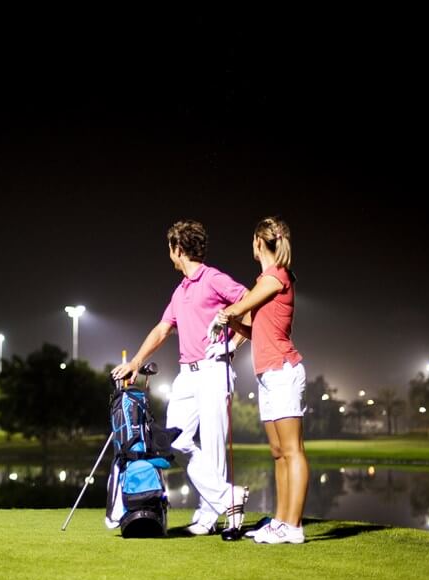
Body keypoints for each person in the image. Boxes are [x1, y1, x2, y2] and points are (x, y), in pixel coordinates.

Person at [112, 220, 250, 535]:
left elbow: (250, 308)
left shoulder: (213, 278)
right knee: (172, 441)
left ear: (178, 248)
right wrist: (136, 360)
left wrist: (231, 345)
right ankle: (228, 497)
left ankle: (209, 518)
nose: (169, 255)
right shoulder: (181, 290)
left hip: (214, 371)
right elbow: (163, 328)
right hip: (187, 375)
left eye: (170, 249)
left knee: (214, 447)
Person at [214, 216, 307, 544]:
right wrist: (232, 329)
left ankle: (293, 526)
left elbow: (241, 307)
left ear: (258, 242)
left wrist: (228, 313)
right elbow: (253, 328)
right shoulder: (265, 282)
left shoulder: (275, 277)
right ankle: (281, 520)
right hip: (267, 375)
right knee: (278, 451)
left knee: (293, 450)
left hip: (284, 371)